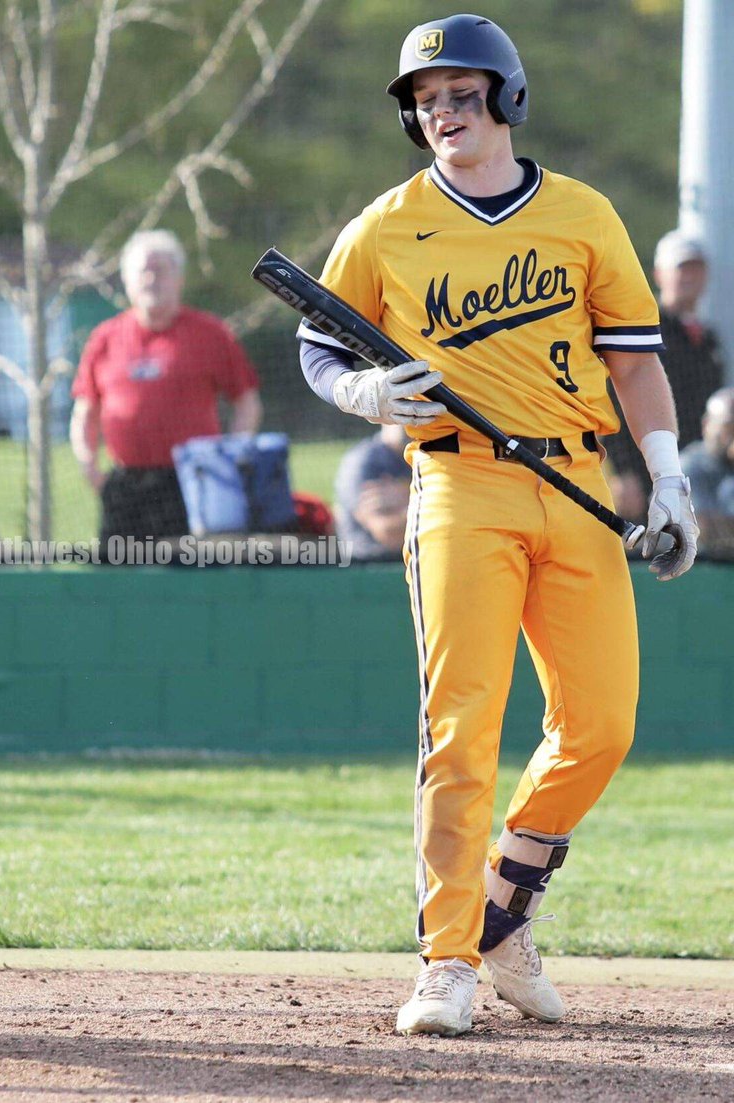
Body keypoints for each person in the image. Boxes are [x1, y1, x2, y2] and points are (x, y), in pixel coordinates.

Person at [297, 14, 698, 1038]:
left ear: (507, 100)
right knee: (461, 731)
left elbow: (635, 358)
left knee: (602, 724)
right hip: (459, 488)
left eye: (460, 95)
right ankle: (447, 958)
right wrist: (369, 396)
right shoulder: (385, 223)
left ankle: (501, 903)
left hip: (574, 481)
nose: (442, 113)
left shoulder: (581, 213)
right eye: (426, 101)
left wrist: (668, 474)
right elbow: (318, 341)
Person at [70, 229, 262, 547]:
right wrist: (89, 466)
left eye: (161, 270)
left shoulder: (210, 333)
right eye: (142, 270)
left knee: (189, 580)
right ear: (127, 281)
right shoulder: (105, 338)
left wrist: (230, 459)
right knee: (118, 583)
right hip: (126, 485)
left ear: (179, 278)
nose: (151, 279)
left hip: (193, 481)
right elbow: (85, 410)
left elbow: (247, 402)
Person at [605, 230, 726, 518]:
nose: (689, 277)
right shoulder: (643, 328)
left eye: (695, 268)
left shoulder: (708, 340)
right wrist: (623, 472)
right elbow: (614, 395)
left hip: (693, 477)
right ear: (659, 274)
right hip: (645, 468)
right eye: (681, 268)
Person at [334, 423, 410, 560]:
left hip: (418, 558)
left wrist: (409, 500)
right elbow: (387, 533)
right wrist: (426, 505)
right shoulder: (363, 460)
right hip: (368, 564)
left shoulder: (429, 455)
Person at [681, 387, 734, 557]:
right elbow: (704, 530)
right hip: (697, 572)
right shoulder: (689, 465)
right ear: (707, 425)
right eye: (728, 426)